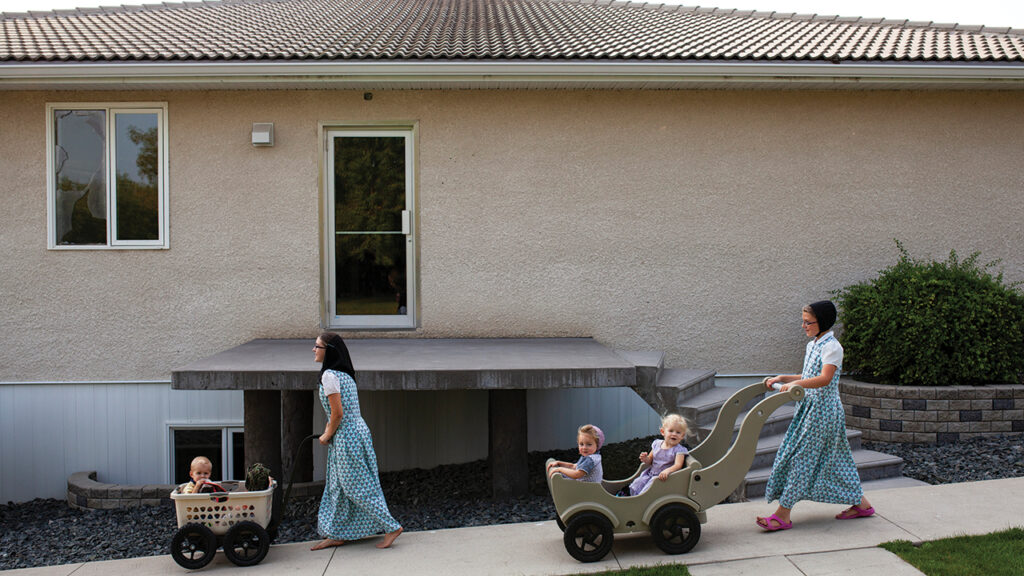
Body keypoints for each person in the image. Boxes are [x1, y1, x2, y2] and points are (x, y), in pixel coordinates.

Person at [757, 301, 875, 531]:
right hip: (809, 409)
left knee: (800, 459)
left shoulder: (833, 347)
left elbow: (824, 379)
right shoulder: (814, 345)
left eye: (808, 322)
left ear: (822, 322)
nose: (803, 326)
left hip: (824, 412)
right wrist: (784, 378)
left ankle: (783, 515)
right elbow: (809, 374)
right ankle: (862, 505)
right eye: (802, 321)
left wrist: (795, 385)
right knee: (836, 460)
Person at [310, 332, 403, 551]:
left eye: (317, 346)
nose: (314, 350)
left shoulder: (330, 376)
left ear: (329, 351)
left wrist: (326, 435)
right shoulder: (345, 375)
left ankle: (391, 527)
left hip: (346, 436)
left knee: (355, 486)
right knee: (338, 486)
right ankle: (336, 533)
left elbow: (338, 414)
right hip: (356, 432)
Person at [625, 414, 690, 496]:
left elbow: (678, 465)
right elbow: (650, 460)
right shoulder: (657, 444)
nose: (674, 434)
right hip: (650, 474)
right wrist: (645, 459)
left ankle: (639, 500)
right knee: (638, 483)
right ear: (663, 432)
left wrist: (667, 471)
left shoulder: (679, 450)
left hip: (662, 478)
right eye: (671, 431)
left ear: (682, 436)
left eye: (678, 432)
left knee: (647, 490)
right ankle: (630, 496)